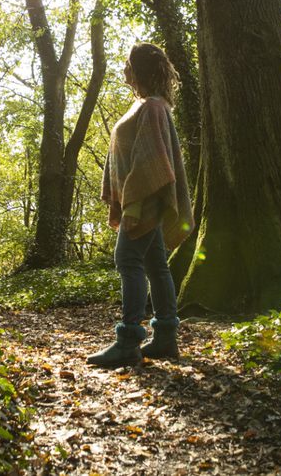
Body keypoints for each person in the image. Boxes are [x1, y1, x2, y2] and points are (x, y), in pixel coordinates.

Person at [88, 42, 195, 369]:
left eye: (127, 64)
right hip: (145, 202)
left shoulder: (151, 107)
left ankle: (128, 341)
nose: (123, 69)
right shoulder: (152, 105)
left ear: (138, 70)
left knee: (127, 259)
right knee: (155, 265)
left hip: (144, 203)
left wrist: (132, 206)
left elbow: (151, 160)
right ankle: (164, 337)